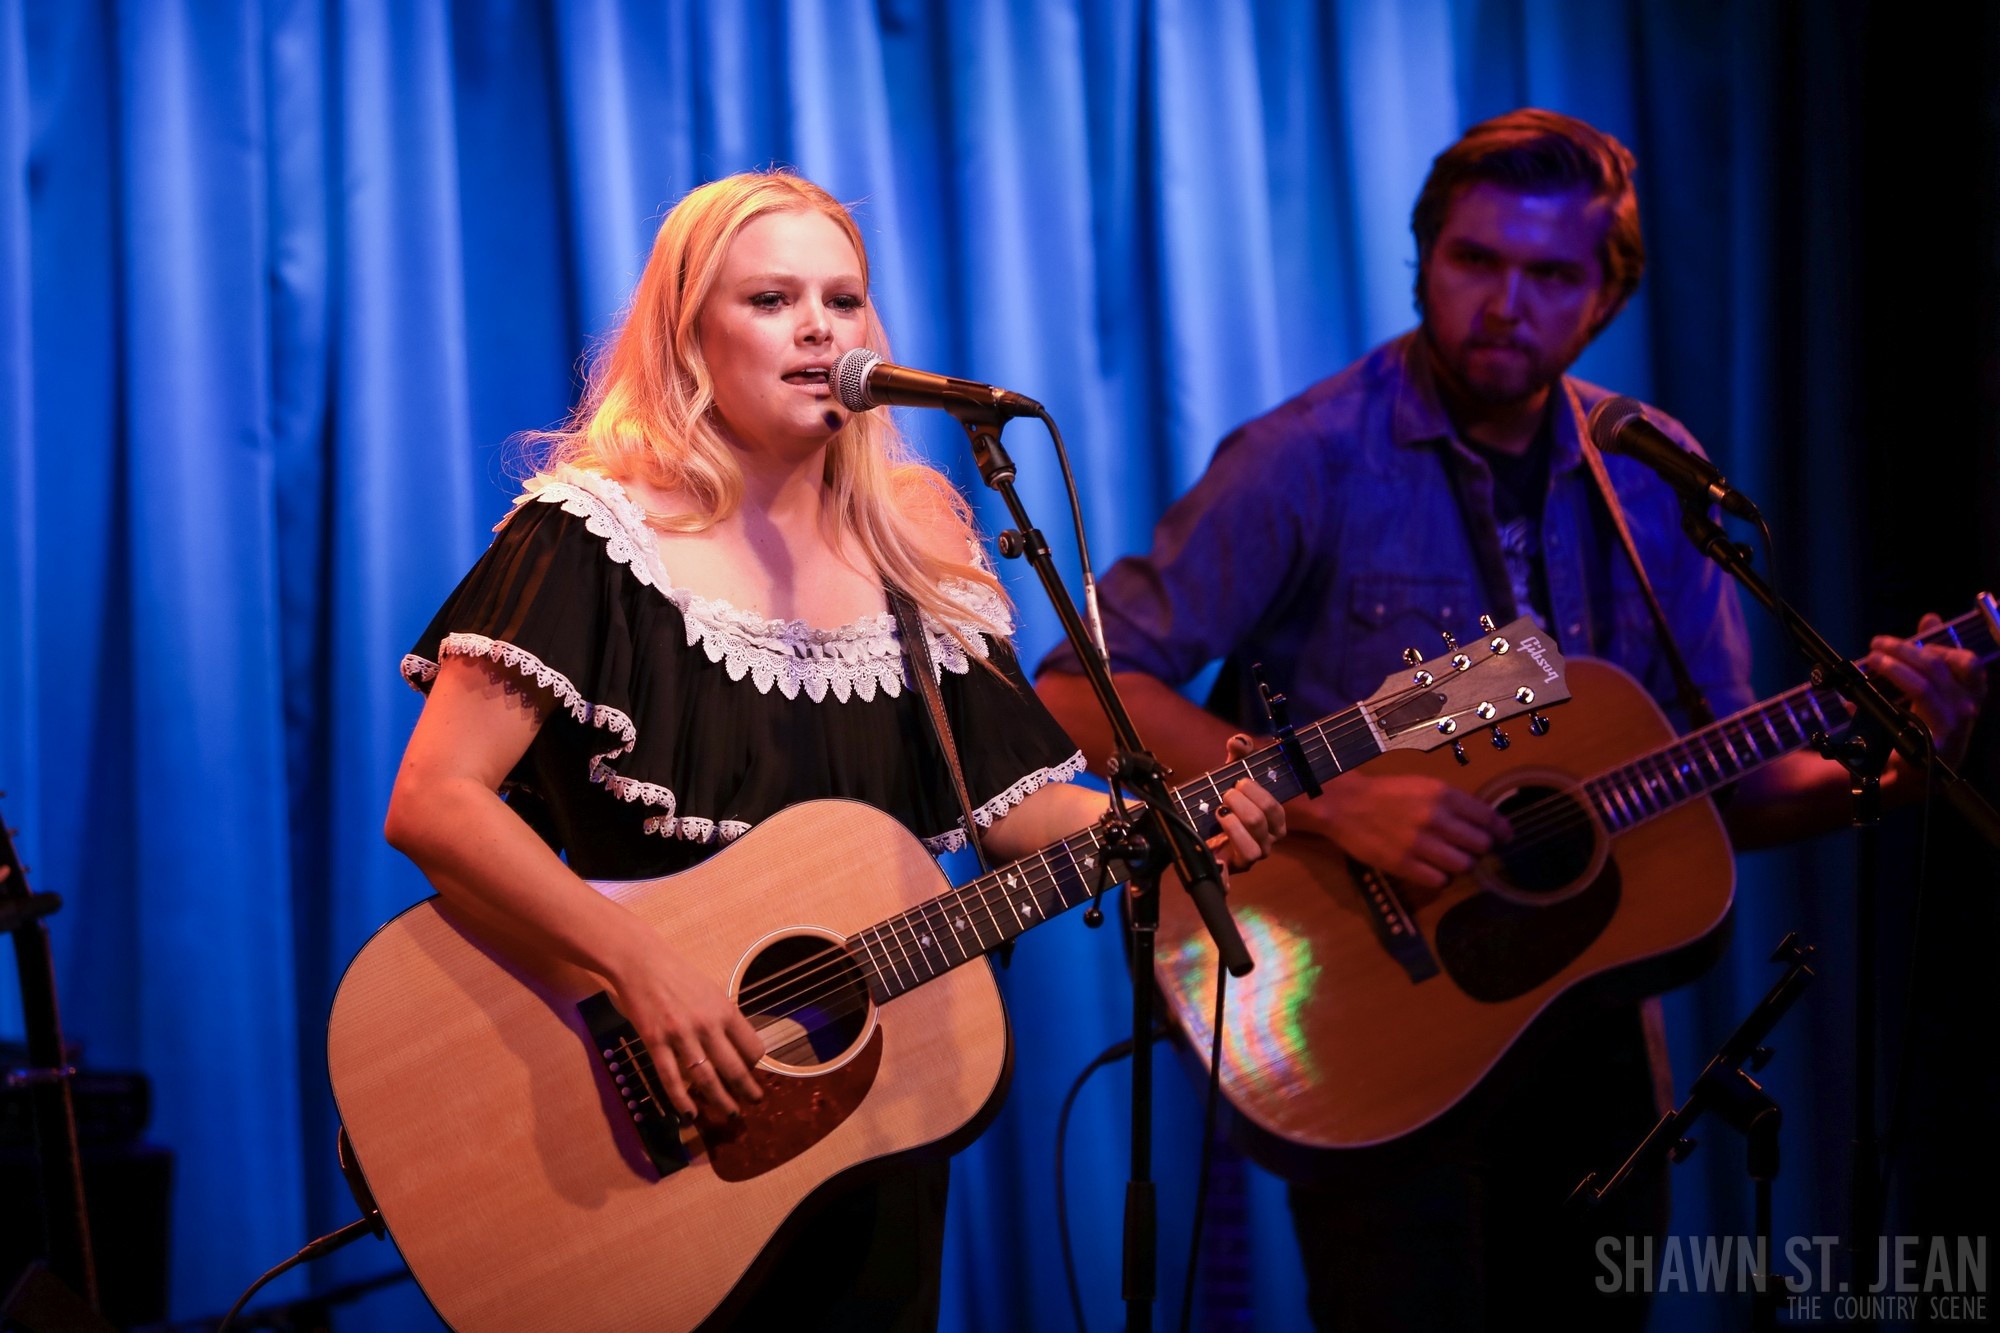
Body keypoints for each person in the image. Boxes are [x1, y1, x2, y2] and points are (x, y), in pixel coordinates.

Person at [1035, 110, 1987, 1330]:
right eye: (1473, 261)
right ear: (1422, 260)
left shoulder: (1647, 472)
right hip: (1371, 1028)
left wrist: (1893, 774)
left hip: (1591, 1047)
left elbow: (1731, 784)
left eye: (1549, 274)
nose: (1503, 301)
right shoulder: (1306, 458)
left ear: (1603, 296)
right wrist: (1319, 793)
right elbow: (1076, 686)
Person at [382, 169, 1284, 1330]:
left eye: (843, 300)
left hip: (861, 1115)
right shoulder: (596, 535)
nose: (818, 328)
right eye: (770, 300)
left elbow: (1016, 813)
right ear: (689, 337)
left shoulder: (916, 555)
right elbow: (434, 802)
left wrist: (1171, 817)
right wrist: (642, 969)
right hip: (642, 1103)